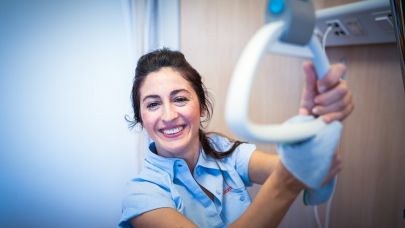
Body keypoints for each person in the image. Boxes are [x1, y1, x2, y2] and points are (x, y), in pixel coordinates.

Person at [119, 48, 354, 227]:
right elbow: (290, 173)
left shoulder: (223, 150)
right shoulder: (141, 196)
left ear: (201, 107)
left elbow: (300, 170)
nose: (169, 115)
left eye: (180, 99)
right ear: (141, 118)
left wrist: (311, 129)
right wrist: (287, 181)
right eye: (153, 104)